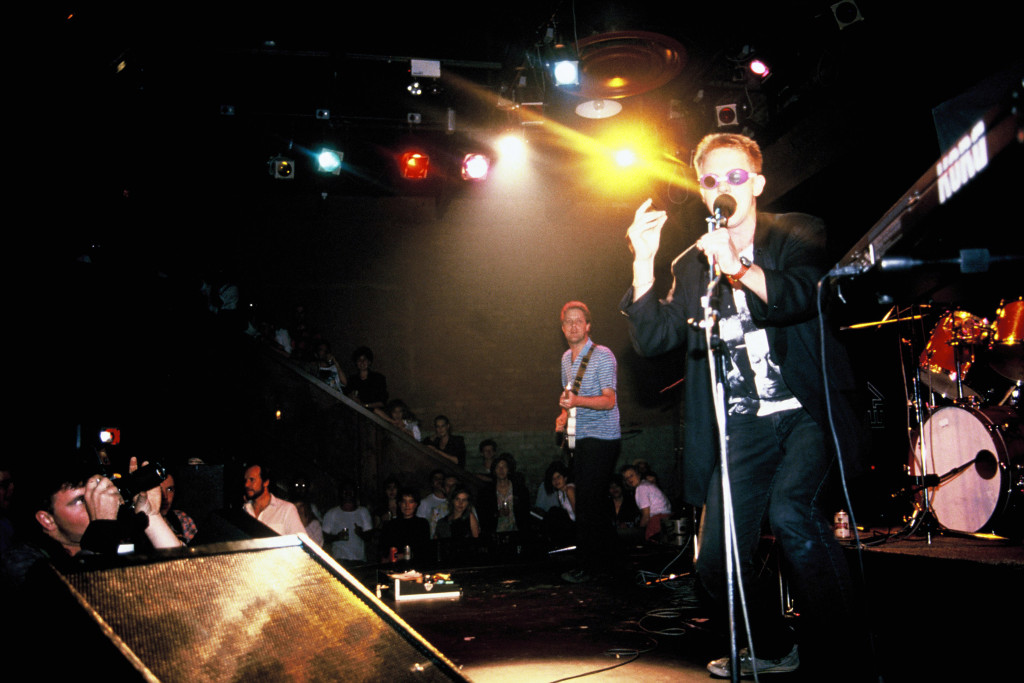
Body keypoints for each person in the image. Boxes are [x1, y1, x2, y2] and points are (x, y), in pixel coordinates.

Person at [621, 132, 864, 678]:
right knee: (715, 564)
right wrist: (644, 262)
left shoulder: (797, 230)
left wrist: (740, 269)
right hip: (743, 427)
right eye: (710, 180)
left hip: (804, 411)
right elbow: (655, 340)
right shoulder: (693, 262)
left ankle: (843, 652)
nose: (722, 188)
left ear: (755, 184)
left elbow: (802, 294)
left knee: (792, 511)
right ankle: (776, 646)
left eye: (735, 178)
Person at [555, 301, 621, 583]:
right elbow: (570, 398)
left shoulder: (603, 355)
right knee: (592, 502)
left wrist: (577, 402)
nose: (573, 326)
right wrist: (562, 416)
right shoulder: (565, 360)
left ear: (588, 326)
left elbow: (609, 400)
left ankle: (589, 565)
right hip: (580, 437)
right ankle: (609, 564)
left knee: (587, 502)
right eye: (568, 321)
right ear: (562, 328)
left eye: (578, 321)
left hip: (603, 436)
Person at [242, 462, 305, 536]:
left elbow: (301, 542)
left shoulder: (286, 509)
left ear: (266, 482)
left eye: (252, 480)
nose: (246, 484)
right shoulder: (244, 510)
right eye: (245, 480)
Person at [322, 483, 372, 563]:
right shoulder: (332, 513)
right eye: (345, 491)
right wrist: (337, 537)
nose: (348, 494)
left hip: (359, 561)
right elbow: (323, 538)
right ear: (341, 493)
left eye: (350, 491)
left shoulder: (363, 512)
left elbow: (369, 537)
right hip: (339, 561)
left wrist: (361, 533)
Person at [379, 488, 430, 564]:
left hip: (416, 567)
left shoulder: (422, 524)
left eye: (411, 502)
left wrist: (402, 556)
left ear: (416, 504)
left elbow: (423, 550)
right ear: (399, 504)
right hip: (395, 568)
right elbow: (384, 552)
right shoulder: (390, 525)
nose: (407, 505)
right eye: (404, 502)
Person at [620, 464, 671, 542]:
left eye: (631, 476)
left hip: (657, 521)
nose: (629, 479)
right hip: (665, 520)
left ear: (638, 475)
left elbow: (646, 515)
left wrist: (640, 531)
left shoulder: (641, 488)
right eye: (626, 478)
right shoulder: (645, 484)